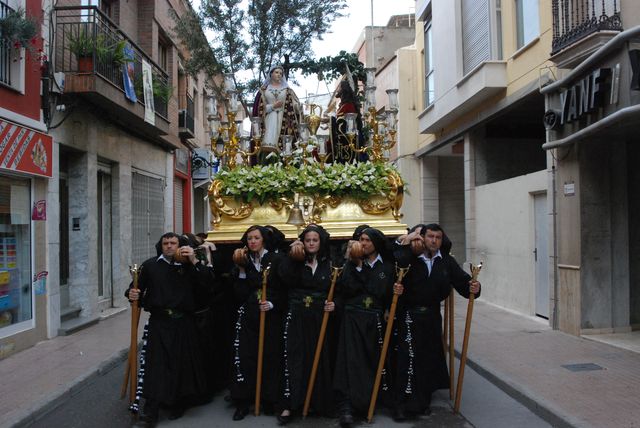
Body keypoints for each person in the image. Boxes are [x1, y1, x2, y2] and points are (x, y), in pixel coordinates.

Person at [391, 223, 481, 421]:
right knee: (408, 359)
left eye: (437, 237)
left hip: (431, 317)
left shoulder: (446, 261)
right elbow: (395, 265)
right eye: (430, 236)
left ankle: (422, 402)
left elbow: (463, 284)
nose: (433, 241)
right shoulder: (410, 258)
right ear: (422, 238)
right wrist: (406, 242)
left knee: (427, 359)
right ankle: (401, 404)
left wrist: (475, 286)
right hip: (409, 315)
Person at [126, 232, 213, 427]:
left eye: (173, 243)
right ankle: (151, 412)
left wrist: (194, 260)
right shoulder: (150, 266)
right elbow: (135, 289)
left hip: (183, 323)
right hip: (159, 322)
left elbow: (207, 285)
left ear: (179, 245)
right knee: (156, 365)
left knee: (180, 364)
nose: (169, 246)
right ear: (161, 245)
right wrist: (132, 293)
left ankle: (177, 404)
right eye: (165, 243)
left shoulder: (189, 265)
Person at [333, 227, 397, 427]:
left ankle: (369, 402)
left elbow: (379, 291)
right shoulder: (350, 266)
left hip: (374, 321)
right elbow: (348, 289)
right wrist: (358, 265)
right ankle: (348, 407)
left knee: (372, 361)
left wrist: (387, 306)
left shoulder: (386, 268)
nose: (363, 243)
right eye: (361, 239)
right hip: (353, 319)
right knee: (350, 362)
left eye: (367, 240)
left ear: (376, 243)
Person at [276, 225, 337, 424]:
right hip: (297, 316)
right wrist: (294, 258)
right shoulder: (294, 260)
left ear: (321, 242)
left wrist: (334, 303)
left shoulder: (330, 263)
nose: (311, 243)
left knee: (320, 358)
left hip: (320, 317)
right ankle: (290, 404)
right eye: (308, 240)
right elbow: (285, 278)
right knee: (295, 358)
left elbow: (340, 289)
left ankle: (319, 402)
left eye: (315, 240)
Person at [229, 225, 285, 420]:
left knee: (270, 355)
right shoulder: (243, 260)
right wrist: (242, 271)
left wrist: (272, 303)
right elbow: (240, 294)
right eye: (249, 238)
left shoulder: (276, 259)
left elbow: (284, 288)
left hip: (269, 314)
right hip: (250, 315)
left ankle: (268, 399)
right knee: (245, 356)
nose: (252, 241)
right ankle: (243, 400)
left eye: (256, 238)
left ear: (263, 240)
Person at [252, 65, 301, 162]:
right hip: (269, 120)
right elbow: (258, 109)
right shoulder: (263, 90)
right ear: (271, 74)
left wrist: (298, 107)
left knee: (285, 144)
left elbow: (295, 105)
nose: (279, 75)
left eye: (281, 73)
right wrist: (273, 106)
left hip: (284, 121)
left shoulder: (287, 90)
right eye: (276, 72)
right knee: (267, 142)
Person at [330, 79, 365, 163]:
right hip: (340, 140)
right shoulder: (343, 106)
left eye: (339, 88)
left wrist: (331, 120)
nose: (337, 90)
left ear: (343, 90)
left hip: (348, 141)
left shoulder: (349, 106)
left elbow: (345, 122)